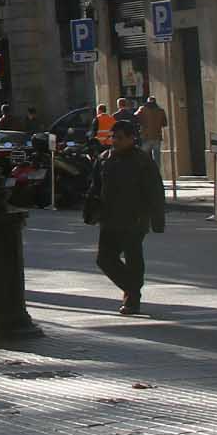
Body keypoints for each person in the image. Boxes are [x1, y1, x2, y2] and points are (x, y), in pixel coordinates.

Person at [85, 118, 164, 314]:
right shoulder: (104, 158)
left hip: (134, 218)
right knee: (104, 259)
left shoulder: (142, 160)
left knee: (133, 257)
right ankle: (132, 288)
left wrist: (157, 220)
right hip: (109, 217)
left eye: (120, 138)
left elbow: (155, 191)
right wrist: (90, 211)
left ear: (132, 138)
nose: (115, 141)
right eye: (113, 137)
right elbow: (95, 188)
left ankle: (132, 298)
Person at [136, 96, 168, 168]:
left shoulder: (143, 109)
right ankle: (156, 174)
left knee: (143, 157)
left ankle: (145, 174)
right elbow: (165, 123)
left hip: (146, 136)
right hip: (157, 136)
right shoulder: (161, 110)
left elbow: (135, 117)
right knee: (157, 158)